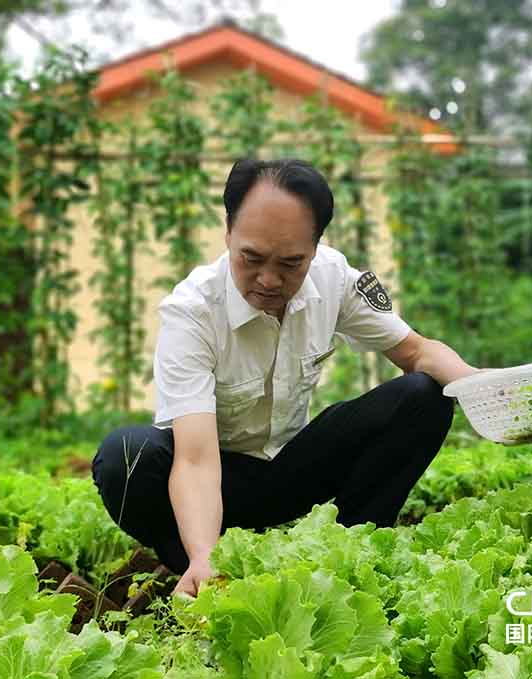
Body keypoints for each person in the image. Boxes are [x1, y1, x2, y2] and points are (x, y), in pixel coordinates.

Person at [92, 158, 480, 598]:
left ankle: (352, 548)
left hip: (293, 470)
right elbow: (196, 459)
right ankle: (203, 571)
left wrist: (486, 390)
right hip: (214, 485)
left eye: (291, 263)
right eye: (251, 258)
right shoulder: (192, 312)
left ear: (314, 248)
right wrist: (204, 553)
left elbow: (418, 351)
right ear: (228, 233)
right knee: (125, 455)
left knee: (424, 395)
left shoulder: (334, 278)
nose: (269, 280)